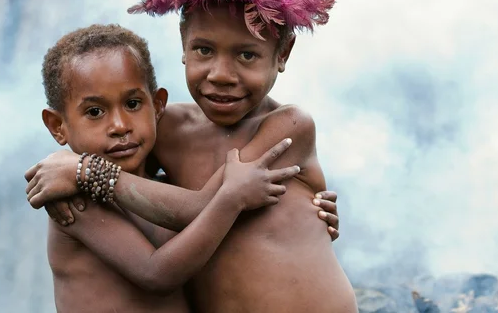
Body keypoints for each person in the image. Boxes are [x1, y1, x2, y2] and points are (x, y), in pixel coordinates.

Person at [27, 0, 357, 312]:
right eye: (203, 50)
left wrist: (86, 172)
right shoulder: (156, 130)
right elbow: (123, 178)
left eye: (246, 55)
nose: (220, 74)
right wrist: (70, 168)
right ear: (183, 43)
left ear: (283, 54)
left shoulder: (288, 127)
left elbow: (203, 207)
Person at [34, 23, 302, 313]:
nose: (120, 126)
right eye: (95, 112)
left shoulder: (165, 186)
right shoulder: (75, 199)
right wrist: (233, 197)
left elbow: (197, 218)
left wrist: (304, 209)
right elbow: (156, 273)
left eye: (133, 103)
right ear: (57, 126)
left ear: (158, 105)